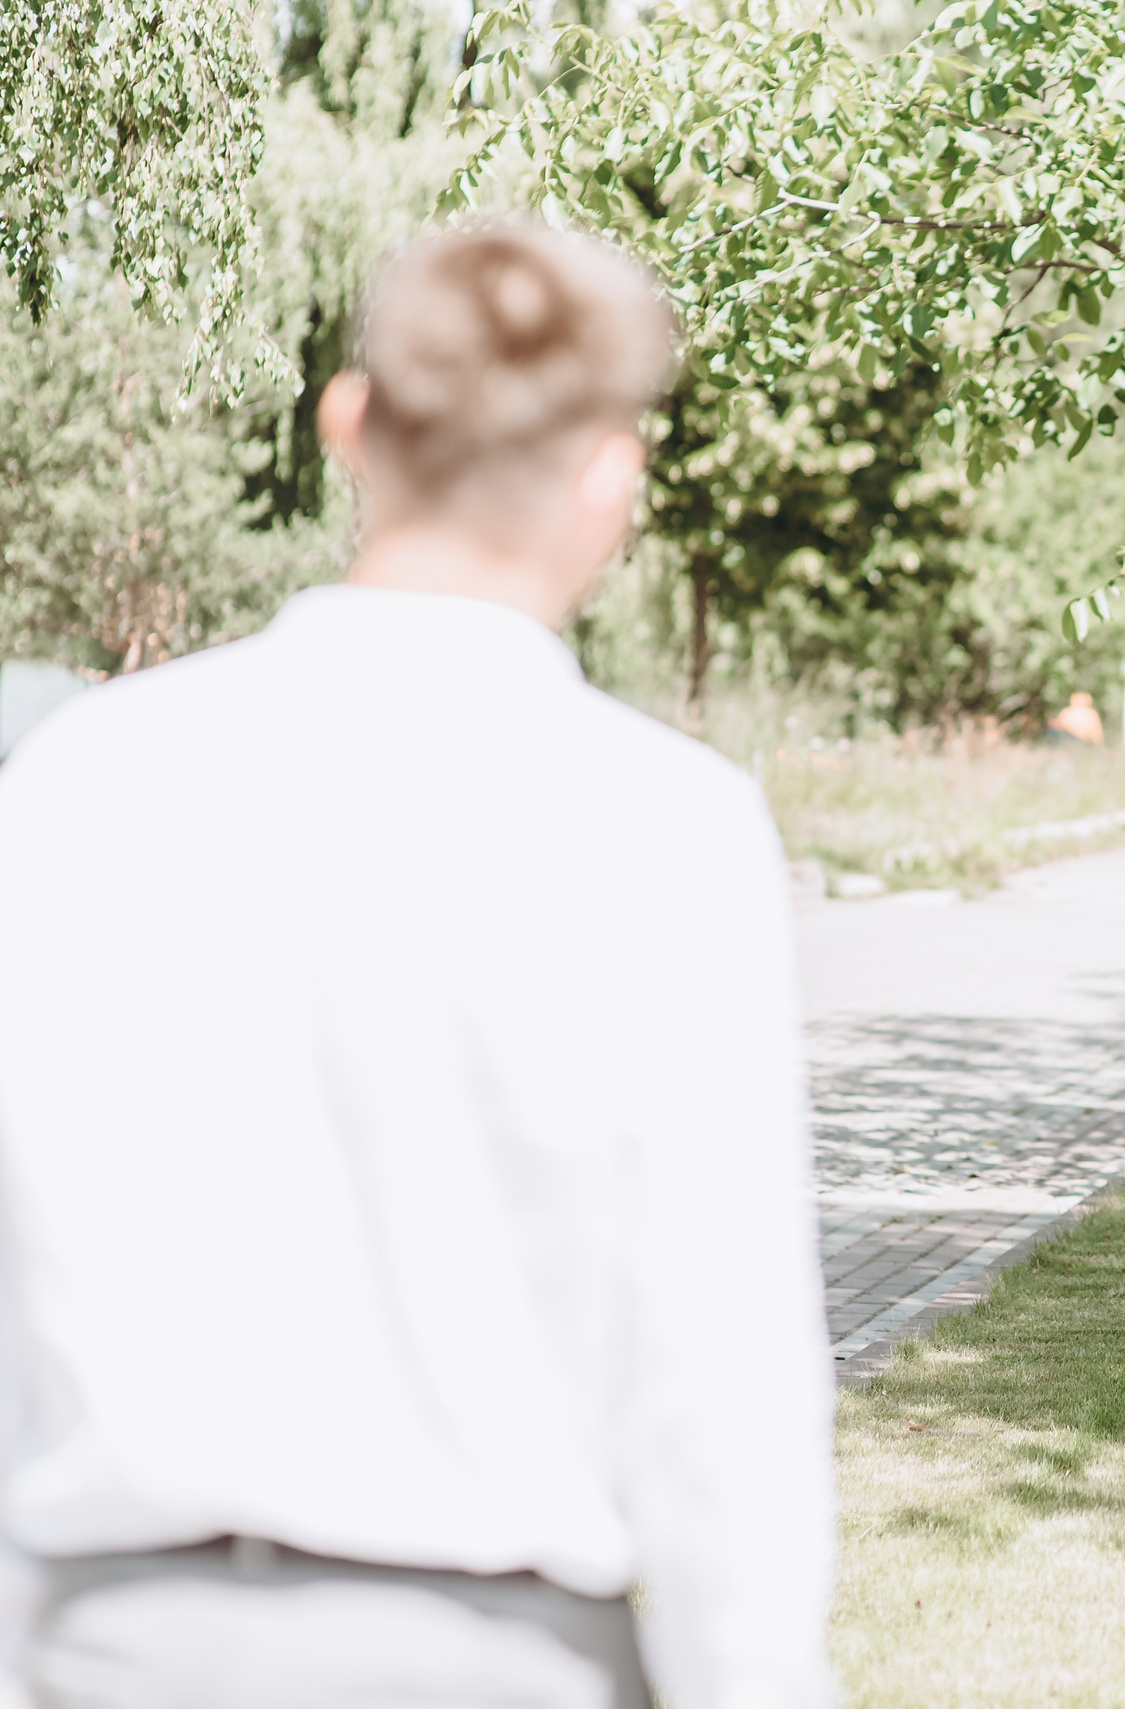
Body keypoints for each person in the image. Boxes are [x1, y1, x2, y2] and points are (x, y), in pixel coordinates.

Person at [0, 223, 838, 1708]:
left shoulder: (82, 783)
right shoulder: (666, 834)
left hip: (114, 1642)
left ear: (349, 427)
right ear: (614, 481)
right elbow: (722, 1387)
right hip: (495, 1658)